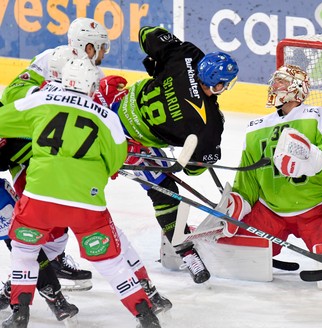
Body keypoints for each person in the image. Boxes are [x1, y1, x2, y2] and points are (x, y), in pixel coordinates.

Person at [0, 58, 161, 328]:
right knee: (111, 262)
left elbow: (3, 121)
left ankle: (20, 313)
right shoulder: (107, 117)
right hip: (87, 204)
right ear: (90, 86)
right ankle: (145, 315)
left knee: (25, 251)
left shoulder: (42, 100)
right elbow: (114, 162)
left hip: (39, 199)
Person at [98, 26, 239, 284]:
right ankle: (184, 252)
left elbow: (146, 33)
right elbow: (193, 169)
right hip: (128, 145)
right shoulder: (209, 126)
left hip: (108, 105)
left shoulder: (184, 56)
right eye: (225, 84)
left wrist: (159, 61)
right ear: (218, 84)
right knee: (165, 191)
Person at [0, 16, 112, 292]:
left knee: (61, 201)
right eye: (100, 47)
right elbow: (14, 94)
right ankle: (30, 273)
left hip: (56, 144)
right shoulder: (50, 58)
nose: (103, 53)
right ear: (87, 46)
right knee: (43, 203)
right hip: (22, 140)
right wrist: (48, 94)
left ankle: (52, 260)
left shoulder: (94, 75)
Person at [220, 64, 322, 263]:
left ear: (298, 87)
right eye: (274, 80)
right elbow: (248, 176)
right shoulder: (255, 128)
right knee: (234, 256)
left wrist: (316, 158)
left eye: (282, 80)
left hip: (320, 208)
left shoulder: (318, 116)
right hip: (270, 211)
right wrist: (238, 200)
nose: (274, 85)